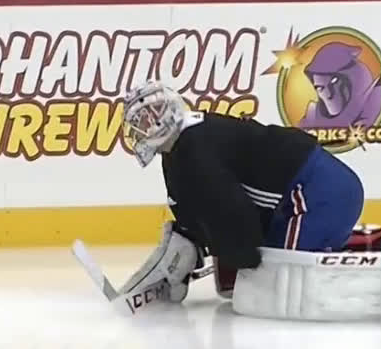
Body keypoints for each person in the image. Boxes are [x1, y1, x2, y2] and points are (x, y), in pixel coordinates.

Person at [121, 80, 366, 300]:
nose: (151, 123)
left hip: (320, 193)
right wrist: (192, 241)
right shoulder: (178, 152)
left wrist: (238, 259)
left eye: (153, 113)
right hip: (308, 195)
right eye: (141, 120)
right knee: (241, 280)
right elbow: (200, 208)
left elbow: (233, 212)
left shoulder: (193, 150)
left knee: (271, 286)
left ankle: (365, 248)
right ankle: (356, 243)